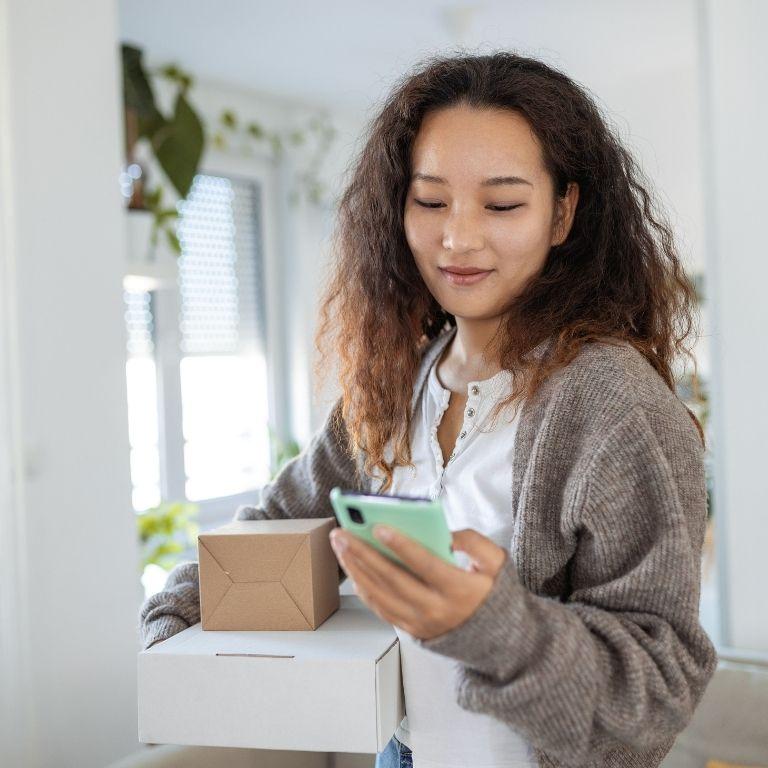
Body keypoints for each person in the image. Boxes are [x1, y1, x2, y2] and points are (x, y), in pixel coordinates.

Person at [139, 51, 717, 768]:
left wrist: (491, 624)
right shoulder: (398, 383)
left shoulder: (613, 406)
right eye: (431, 200)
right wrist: (177, 616)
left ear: (563, 213)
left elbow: (658, 690)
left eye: (503, 204)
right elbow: (279, 521)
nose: (458, 238)